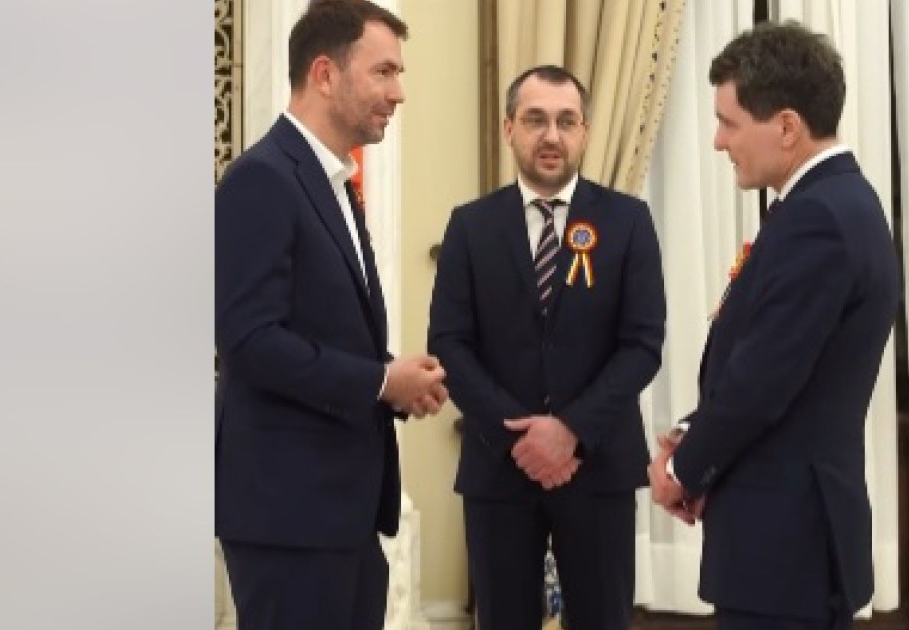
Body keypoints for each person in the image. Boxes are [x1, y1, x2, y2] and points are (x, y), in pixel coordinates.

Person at [647, 21, 901, 630]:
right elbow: (778, 365)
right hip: (789, 545)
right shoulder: (833, 204)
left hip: (785, 549)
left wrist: (682, 471)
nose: (718, 142)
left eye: (729, 123)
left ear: (787, 127)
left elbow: (762, 382)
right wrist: (693, 432)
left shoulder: (819, 219)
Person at [214, 2, 447, 629]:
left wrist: (394, 379)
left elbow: (320, 330)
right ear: (324, 74)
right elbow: (249, 341)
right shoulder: (261, 180)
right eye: (384, 72)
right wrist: (381, 380)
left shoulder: (335, 183)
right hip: (288, 518)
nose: (398, 94)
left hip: (342, 516)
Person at [428, 65, 667, 630]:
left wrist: (570, 430)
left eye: (566, 121)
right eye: (535, 120)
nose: (551, 136)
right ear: (509, 128)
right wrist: (522, 437)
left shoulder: (628, 222)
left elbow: (642, 343)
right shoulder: (470, 226)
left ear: (585, 132)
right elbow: (449, 345)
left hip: (599, 465)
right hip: (499, 467)